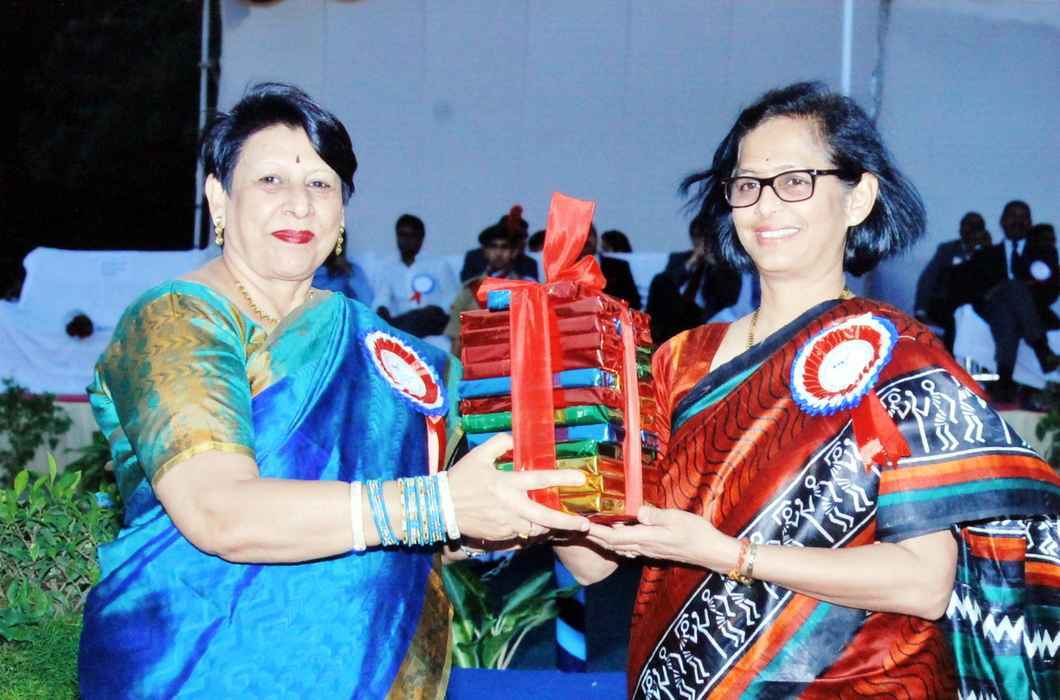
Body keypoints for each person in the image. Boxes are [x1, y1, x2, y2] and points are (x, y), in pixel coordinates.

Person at [77, 82, 590, 699]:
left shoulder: (395, 355)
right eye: (271, 180)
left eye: (321, 184)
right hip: (191, 668)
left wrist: (578, 478)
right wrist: (436, 507)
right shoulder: (177, 321)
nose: (300, 205)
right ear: (218, 197)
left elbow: (468, 520)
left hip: (371, 670)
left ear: (342, 210)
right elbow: (219, 513)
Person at [557, 81, 1060, 699]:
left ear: (859, 198)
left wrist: (732, 555)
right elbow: (594, 563)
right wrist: (547, 464)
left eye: (795, 181)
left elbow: (923, 584)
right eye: (747, 185)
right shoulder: (679, 362)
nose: (765, 206)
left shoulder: (898, 359)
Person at [957, 200, 1059, 400]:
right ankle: (1042, 349)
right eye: (1013, 216)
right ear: (1002, 221)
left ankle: (1004, 379)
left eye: (1023, 217)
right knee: (1007, 298)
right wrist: (1004, 290)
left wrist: (1013, 293)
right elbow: (974, 291)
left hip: (1034, 313)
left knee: (1009, 303)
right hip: (992, 312)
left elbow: (1051, 291)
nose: (1017, 221)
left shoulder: (1044, 253)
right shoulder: (986, 255)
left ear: (1030, 223)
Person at [646, 215, 743, 344]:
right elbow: (669, 282)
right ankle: (651, 334)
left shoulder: (724, 264)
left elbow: (727, 297)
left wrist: (714, 263)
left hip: (702, 317)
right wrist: (690, 264)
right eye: (697, 240)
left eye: (704, 240)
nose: (701, 245)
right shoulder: (679, 258)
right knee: (660, 280)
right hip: (675, 313)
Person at [444, 224, 531, 357]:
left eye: (504, 247)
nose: (498, 253)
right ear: (485, 251)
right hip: (477, 361)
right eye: (493, 247)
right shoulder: (470, 290)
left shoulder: (526, 290)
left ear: (514, 252)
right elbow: (457, 338)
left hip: (515, 359)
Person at [914, 211, 991, 352]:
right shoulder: (947, 250)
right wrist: (921, 310)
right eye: (968, 225)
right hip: (945, 302)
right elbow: (928, 279)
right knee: (954, 321)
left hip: (977, 305)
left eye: (976, 226)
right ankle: (950, 358)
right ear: (960, 229)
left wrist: (985, 250)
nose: (971, 230)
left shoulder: (989, 253)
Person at [373, 213, 459, 337]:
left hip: (434, 319)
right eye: (402, 235)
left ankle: (396, 331)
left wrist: (437, 309)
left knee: (421, 317)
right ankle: (395, 331)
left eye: (412, 236)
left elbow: (453, 298)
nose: (406, 240)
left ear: (421, 239)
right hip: (405, 321)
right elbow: (382, 299)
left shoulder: (438, 265)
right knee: (387, 321)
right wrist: (382, 309)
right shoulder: (388, 268)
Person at [459, 205, 539, 282]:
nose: (499, 252)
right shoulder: (474, 257)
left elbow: (532, 285)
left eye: (520, 238)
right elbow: (467, 281)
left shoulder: (528, 263)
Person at [580, 224, 641, 309]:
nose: (587, 239)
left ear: (596, 238)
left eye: (590, 234)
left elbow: (634, 301)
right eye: (582, 234)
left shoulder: (618, 266)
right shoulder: (566, 267)